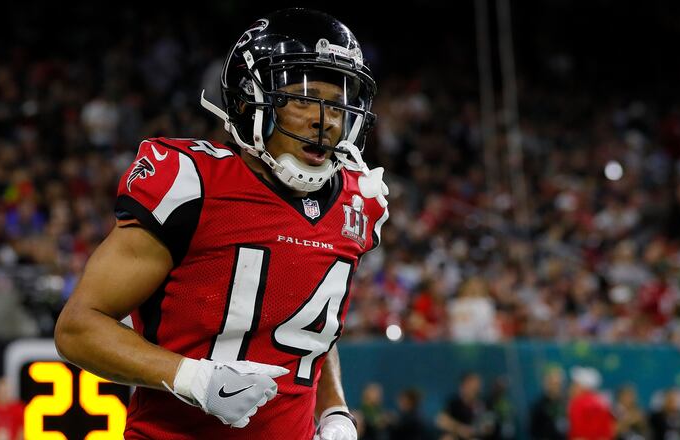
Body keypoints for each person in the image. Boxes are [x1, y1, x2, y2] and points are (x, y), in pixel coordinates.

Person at [55, 7, 388, 440]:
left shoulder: (357, 202)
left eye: (336, 103)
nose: (323, 121)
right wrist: (193, 379)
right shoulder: (194, 183)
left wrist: (335, 409)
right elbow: (79, 328)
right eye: (304, 98)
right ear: (251, 100)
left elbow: (308, 330)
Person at [436, 372, 489, 440]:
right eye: (473, 386)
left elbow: (487, 427)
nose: (477, 390)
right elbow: (440, 420)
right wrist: (460, 429)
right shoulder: (454, 403)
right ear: (464, 386)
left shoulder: (482, 405)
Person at [567, 366, 615, 440]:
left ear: (583, 387)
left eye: (575, 384)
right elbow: (607, 433)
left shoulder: (578, 403)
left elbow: (577, 433)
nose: (571, 387)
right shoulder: (603, 404)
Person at [529, 367, 567, 440]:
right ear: (546, 384)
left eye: (558, 383)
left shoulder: (566, 402)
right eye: (553, 383)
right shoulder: (539, 406)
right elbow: (533, 431)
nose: (556, 387)